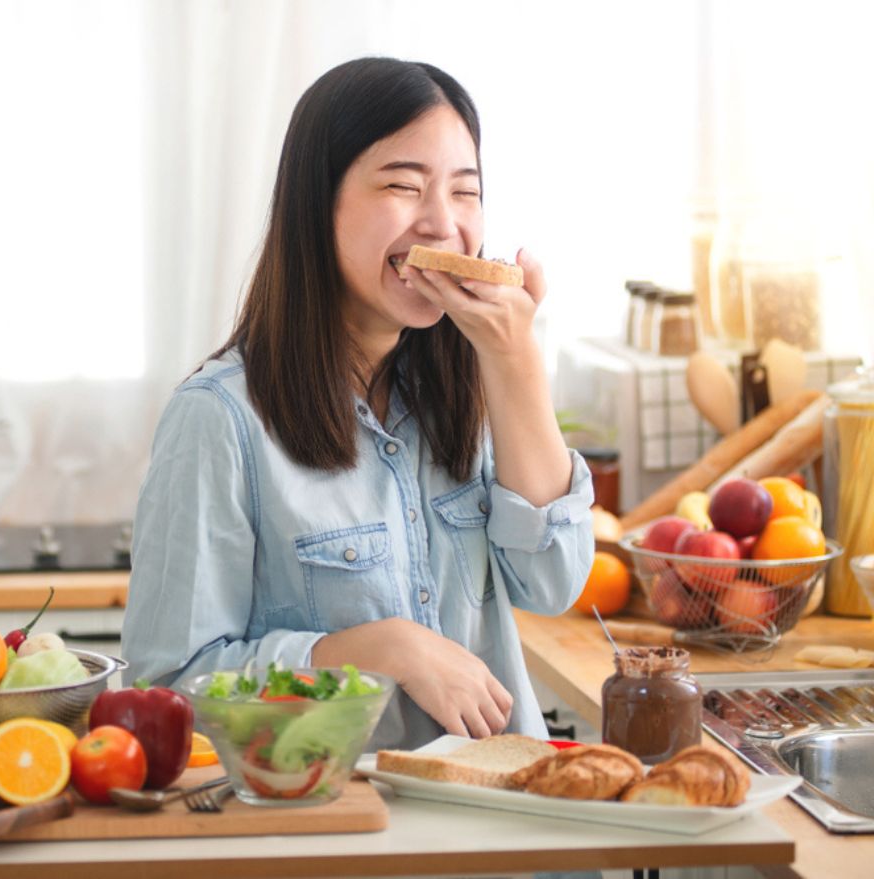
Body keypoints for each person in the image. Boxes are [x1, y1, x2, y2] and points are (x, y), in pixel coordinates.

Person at [121, 56, 594, 749]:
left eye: (466, 193)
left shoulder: (474, 385)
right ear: (319, 205)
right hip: (338, 834)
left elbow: (553, 583)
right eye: (403, 186)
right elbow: (167, 685)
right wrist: (379, 647)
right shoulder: (218, 419)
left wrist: (517, 365)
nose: (442, 224)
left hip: (497, 828)